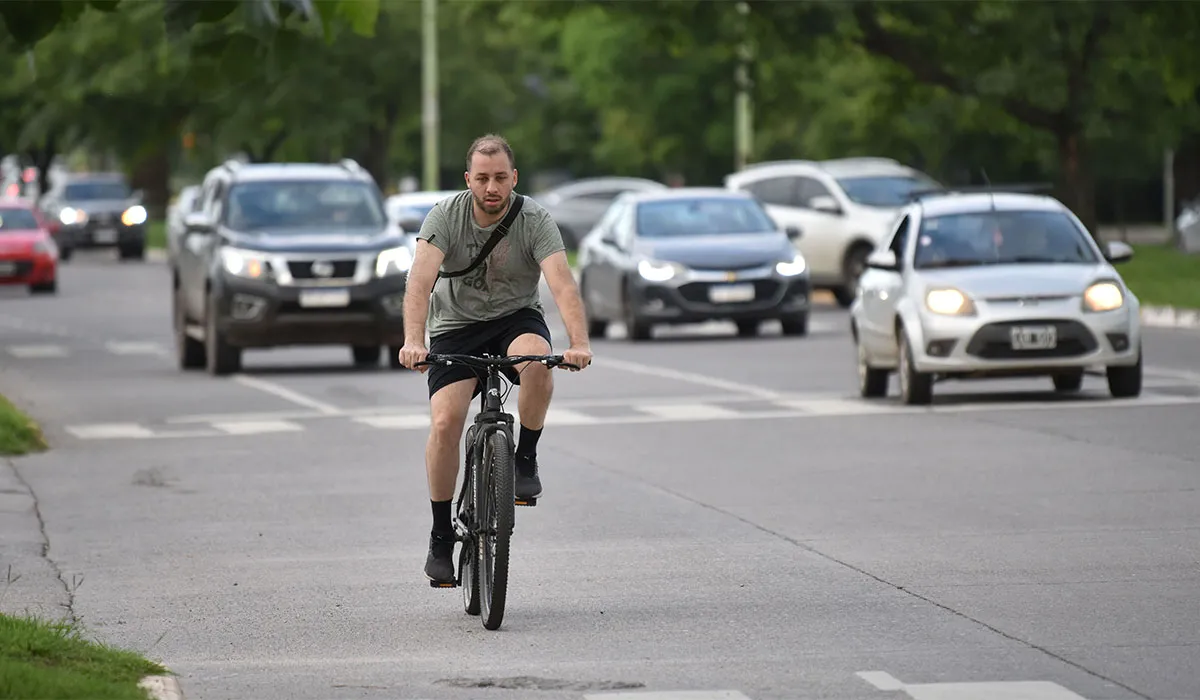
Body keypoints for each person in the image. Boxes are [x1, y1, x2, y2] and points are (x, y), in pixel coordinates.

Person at [398, 134, 594, 585]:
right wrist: (414, 339)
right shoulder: (446, 216)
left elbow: (562, 283)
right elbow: (420, 280)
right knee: (446, 423)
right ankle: (441, 533)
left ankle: (525, 457)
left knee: (538, 363)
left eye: (500, 178)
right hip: (454, 326)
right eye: (482, 178)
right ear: (469, 180)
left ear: (514, 178)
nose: (492, 187)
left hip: (514, 319)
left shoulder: (535, 219)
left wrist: (578, 342)